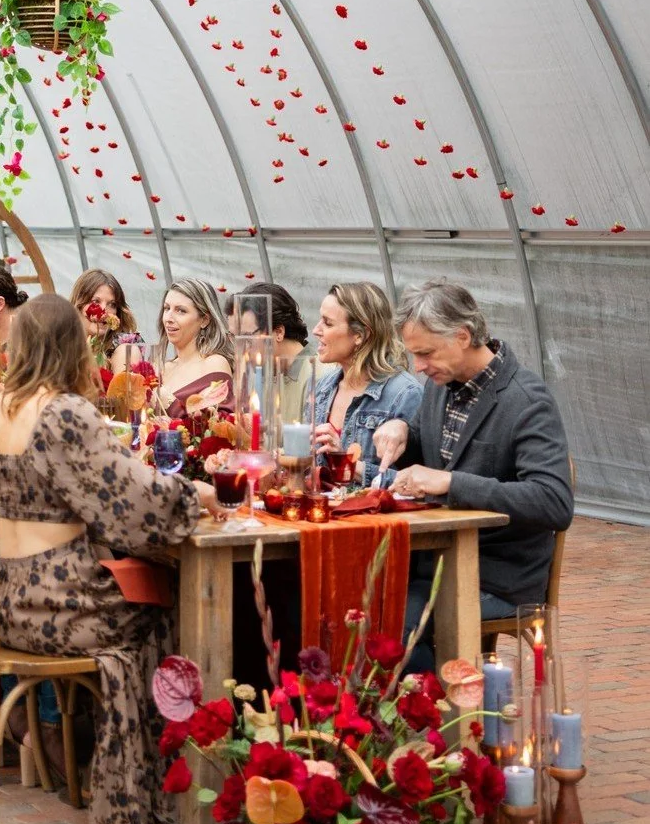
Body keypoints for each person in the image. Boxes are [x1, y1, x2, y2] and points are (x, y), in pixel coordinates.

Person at [0, 294, 215, 824]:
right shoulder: (66, 413)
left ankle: (138, 783)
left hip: (9, 603)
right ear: (73, 348)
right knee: (160, 616)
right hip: (65, 606)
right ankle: (154, 792)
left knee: (145, 607)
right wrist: (191, 495)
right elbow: (130, 502)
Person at [372, 281, 574, 666]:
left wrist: (451, 483)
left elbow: (554, 501)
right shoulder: (441, 383)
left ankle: (442, 721)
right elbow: (429, 443)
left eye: (425, 353)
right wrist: (401, 432)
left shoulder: (527, 400)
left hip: (497, 575)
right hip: (436, 562)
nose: (417, 366)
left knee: (393, 633)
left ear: (462, 336)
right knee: (349, 606)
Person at [309, 282, 422, 487]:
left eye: (328, 323)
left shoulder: (404, 394)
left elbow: (415, 484)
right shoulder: (321, 386)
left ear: (360, 335)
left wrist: (345, 462)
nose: (316, 330)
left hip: (377, 518)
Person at [231, 281, 314, 419]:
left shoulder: (319, 375)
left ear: (278, 332)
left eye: (247, 338)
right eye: (235, 338)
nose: (240, 348)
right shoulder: (258, 373)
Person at [154, 278, 233, 416]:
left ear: (204, 320)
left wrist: (169, 402)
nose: (168, 318)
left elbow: (222, 426)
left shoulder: (214, 363)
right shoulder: (162, 368)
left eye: (181, 311)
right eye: (167, 308)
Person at [70, 268, 140, 380]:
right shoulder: (62, 345)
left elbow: (125, 395)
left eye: (112, 304)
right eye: (95, 301)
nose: (104, 310)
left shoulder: (124, 348)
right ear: (79, 304)